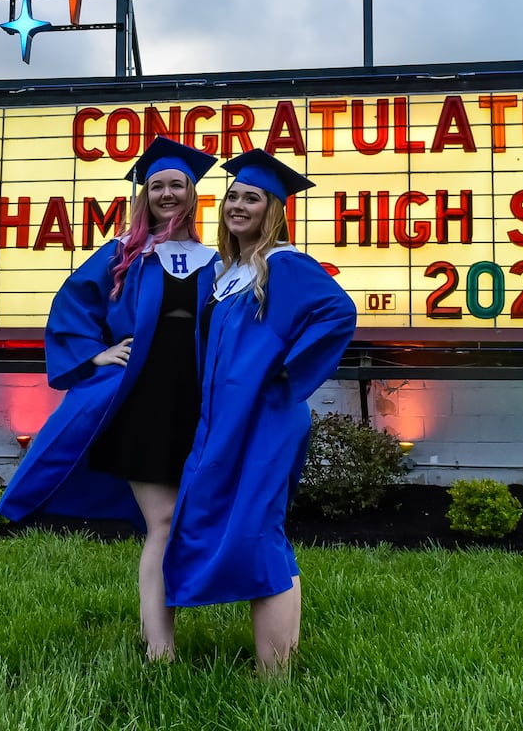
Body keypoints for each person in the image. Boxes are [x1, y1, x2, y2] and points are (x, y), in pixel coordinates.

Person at [0, 136, 219, 662]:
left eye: (177, 185)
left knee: (186, 522)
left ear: (193, 195)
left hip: (199, 405)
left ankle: (172, 628)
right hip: (141, 403)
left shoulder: (217, 260)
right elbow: (72, 303)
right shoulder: (123, 254)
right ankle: (159, 650)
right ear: (145, 195)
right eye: (157, 185)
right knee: (162, 523)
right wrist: (96, 355)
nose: (167, 193)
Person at [166, 148, 357, 675]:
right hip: (228, 420)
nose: (237, 205)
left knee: (258, 529)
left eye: (252, 197)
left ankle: (274, 675)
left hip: (266, 415)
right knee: (259, 526)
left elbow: (338, 312)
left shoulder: (283, 264)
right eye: (232, 196)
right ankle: (279, 662)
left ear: (273, 209)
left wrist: (283, 370)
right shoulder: (231, 273)